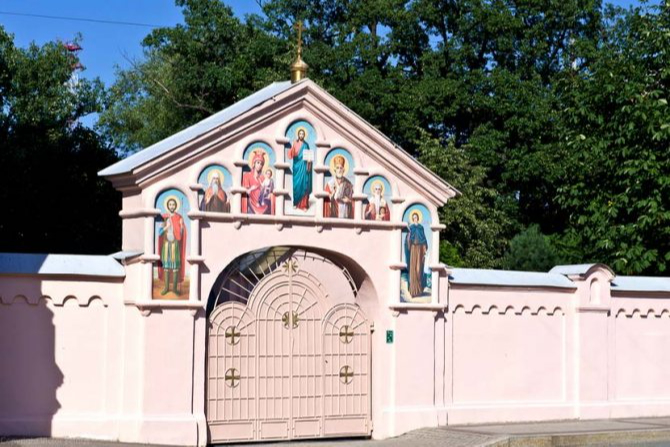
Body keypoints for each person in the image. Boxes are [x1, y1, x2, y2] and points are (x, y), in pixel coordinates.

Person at [157, 198, 187, 296]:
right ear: (167, 206)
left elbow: (181, 235)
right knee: (166, 267)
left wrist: (181, 226)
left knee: (175, 267)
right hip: (166, 245)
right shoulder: (164, 217)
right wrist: (166, 227)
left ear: (176, 206)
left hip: (175, 245)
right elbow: (159, 232)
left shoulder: (179, 217)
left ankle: (174, 288)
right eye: (170, 204)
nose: (172, 206)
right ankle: (166, 288)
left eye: (173, 204)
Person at [287, 128, 312, 210]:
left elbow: (309, 156)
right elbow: (290, 155)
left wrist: (309, 163)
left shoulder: (306, 145)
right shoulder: (295, 143)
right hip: (296, 167)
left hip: (304, 166)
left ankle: (304, 205)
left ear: (304, 135)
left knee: (304, 184)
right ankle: (295, 203)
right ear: (298, 135)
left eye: (303, 134)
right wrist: (292, 147)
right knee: (296, 185)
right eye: (300, 134)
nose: (301, 135)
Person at [242, 150, 274, 215]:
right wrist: (252, 188)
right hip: (251, 202)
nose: (259, 165)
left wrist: (269, 194)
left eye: (261, 164)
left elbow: (267, 189)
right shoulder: (247, 176)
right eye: (258, 163)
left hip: (262, 201)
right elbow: (245, 191)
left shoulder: (263, 178)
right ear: (254, 163)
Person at [405, 211, 428, 297]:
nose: (415, 218)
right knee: (413, 269)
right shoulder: (411, 228)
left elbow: (424, 239)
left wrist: (424, 249)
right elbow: (408, 240)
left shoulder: (421, 228)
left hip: (420, 249)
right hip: (413, 249)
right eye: (413, 217)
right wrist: (408, 234)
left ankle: (419, 289)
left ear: (418, 218)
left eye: (416, 217)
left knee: (419, 269)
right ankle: (413, 291)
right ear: (412, 219)